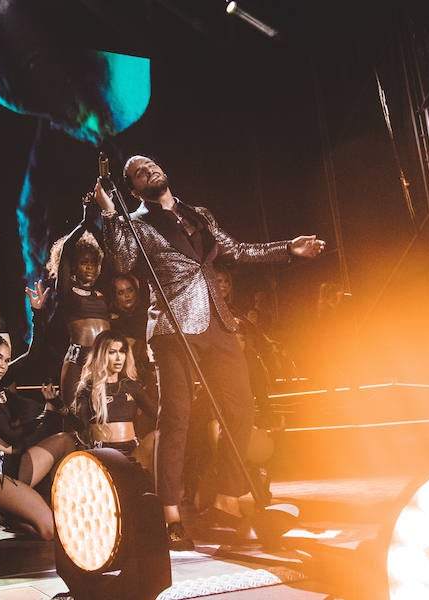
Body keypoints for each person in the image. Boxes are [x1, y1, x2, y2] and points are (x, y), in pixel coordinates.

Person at [93, 154, 326, 550]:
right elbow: (121, 260)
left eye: (149, 163)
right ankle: (171, 516)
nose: (146, 168)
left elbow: (236, 251)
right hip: (172, 329)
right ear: (133, 188)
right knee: (177, 419)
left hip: (218, 324)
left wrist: (289, 248)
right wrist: (111, 213)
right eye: (136, 171)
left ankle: (225, 494)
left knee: (241, 410)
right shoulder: (138, 223)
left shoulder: (198, 214)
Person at [0, 331, 76, 540]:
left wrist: (52, 405)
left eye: (7, 360)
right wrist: (45, 414)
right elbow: (10, 435)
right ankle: (8, 513)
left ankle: (23, 513)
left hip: (15, 468)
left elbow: (33, 358)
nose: (3, 365)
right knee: (51, 530)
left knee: (65, 440)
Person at [42, 196, 112, 413]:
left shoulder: (103, 293)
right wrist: (83, 223)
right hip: (78, 357)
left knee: (103, 411)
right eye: (83, 262)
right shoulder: (67, 292)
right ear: (73, 267)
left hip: (104, 357)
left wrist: (93, 223)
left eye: (93, 262)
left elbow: (108, 250)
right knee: (73, 413)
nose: (90, 267)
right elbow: (65, 254)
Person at [72, 330, 157, 471]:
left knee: (160, 435)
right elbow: (79, 426)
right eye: (112, 352)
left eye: (122, 351)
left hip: (132, 451)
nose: (119, 358)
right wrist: (58, 406)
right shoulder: (88, 388)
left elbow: (158, 415)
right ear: (101, 355)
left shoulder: (131, 386)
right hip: (103, 452)